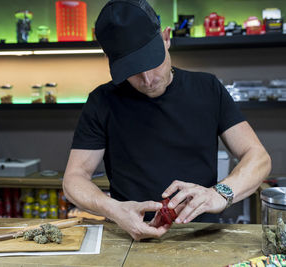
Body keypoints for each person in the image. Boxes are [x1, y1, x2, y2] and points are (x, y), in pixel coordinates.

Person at [62, 0, 271, 241]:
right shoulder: (102, 101)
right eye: (132, 71)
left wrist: (220, 193)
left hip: (201, 235)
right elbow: (74, 179)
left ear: (166, 38)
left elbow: (258, 157)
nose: (148, 79)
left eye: (152, 62)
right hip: (129, 236)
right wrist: (114, 209)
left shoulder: (208, 88)